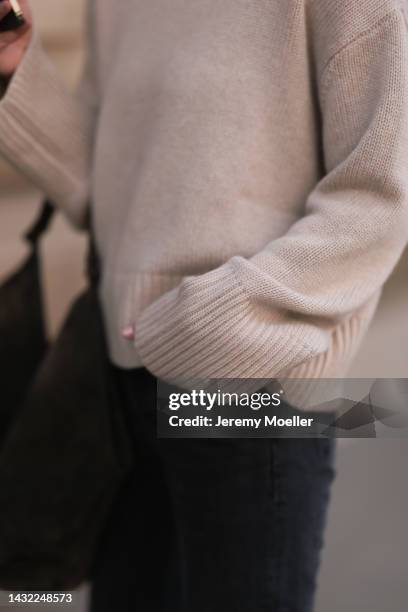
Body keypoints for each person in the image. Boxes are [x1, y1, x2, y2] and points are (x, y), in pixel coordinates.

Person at [0, 1, 407, 610]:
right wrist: (14, 71)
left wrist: (220, 322)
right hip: (120, 377)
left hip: (251, 391)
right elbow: (112, 179)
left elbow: (378, 198)